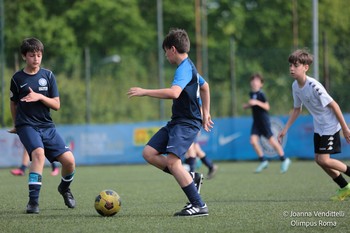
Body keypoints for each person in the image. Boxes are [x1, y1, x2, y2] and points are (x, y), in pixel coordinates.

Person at [128, 28, 214, 217]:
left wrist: (144, 91)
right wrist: (206, 113)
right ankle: (190, 178)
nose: (166, 55)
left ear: (172, 49)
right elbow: (205, 87)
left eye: (165, 51)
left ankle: (199, 205)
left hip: (187, 123)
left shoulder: (184, 68)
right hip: (177, 122)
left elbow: (174, 92)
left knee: (174, 162)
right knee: (149, 153)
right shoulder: (189, 66)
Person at [9, 38, 76, 214]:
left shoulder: (48, 76)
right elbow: (13, 104)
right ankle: (33, 203)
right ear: (24, 56)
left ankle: (64, 188)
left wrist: (39, 96)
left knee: (70, 162)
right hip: (27, 125)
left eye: (39, 55)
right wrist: (17, 124)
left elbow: (56, 105)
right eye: (32, 55)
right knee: (38, 154)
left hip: (47, 126)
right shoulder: (17, 78)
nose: (36, 59)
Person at [278, 49, 350, 201]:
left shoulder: (314, 86)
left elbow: (334, 105)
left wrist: (345, 128)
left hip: (330, 125)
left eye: (295, 65)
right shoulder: (295, 87)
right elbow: (297, 109)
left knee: (324, 160)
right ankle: (345, 187)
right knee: (319, 161)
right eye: (290, 65)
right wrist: (285, 129)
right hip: (319, 126)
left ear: (305, 67)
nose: (291, 68)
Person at [243, 73, 291, 173]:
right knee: (253, 141)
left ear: (261, 84)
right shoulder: (252, 94)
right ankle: (263, 161)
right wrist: (247, 106)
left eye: (257, 81)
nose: (254, 82)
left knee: (271, 141)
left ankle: (284, 159)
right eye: (253, 80)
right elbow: (254, 105)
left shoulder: (261, 94)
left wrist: (256, 102)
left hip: (263, 121)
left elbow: (267, 107)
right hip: (256, 122)